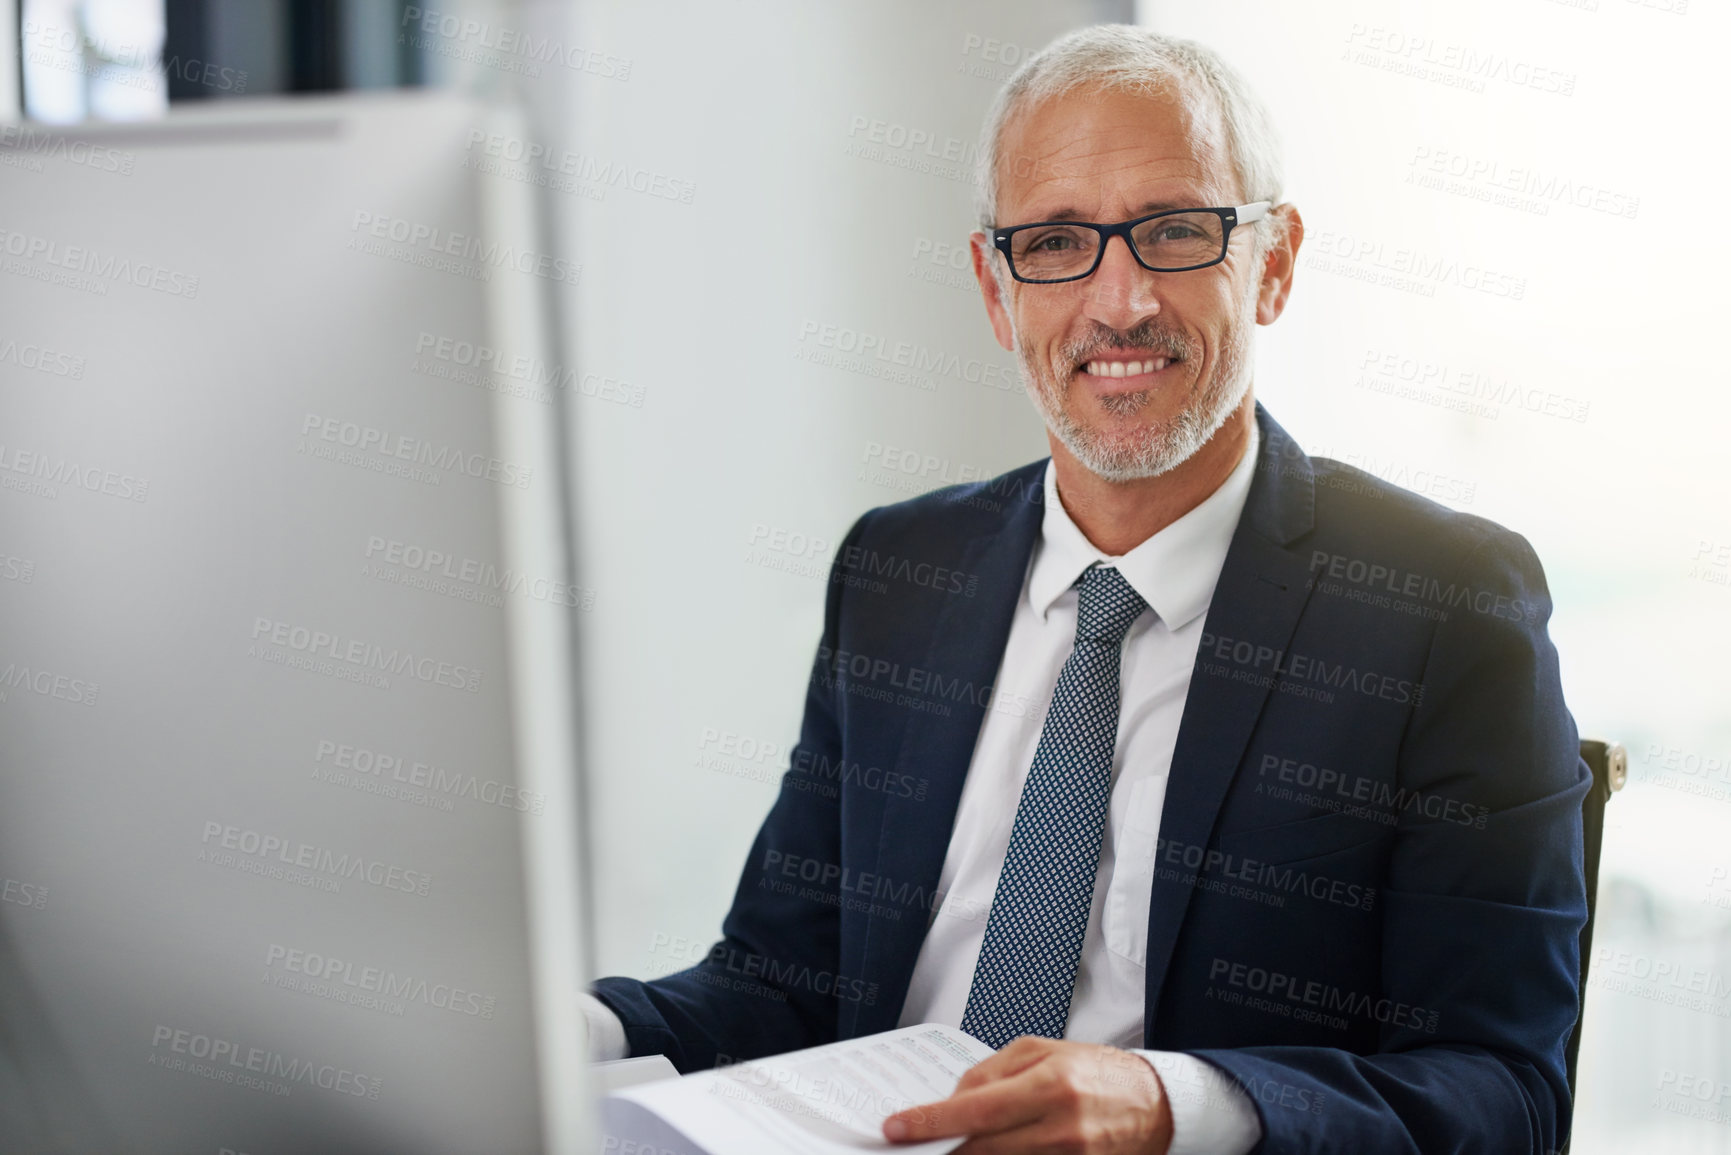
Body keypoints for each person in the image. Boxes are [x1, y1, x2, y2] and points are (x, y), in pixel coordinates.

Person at [584, 24, 1588, 1154]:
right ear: (994, 287)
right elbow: (784, 982)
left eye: (1172, 232)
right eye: (1057, 242)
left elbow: (1506, 1093)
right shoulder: (899, 573)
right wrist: (573, 1029)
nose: (1120, 304)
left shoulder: (1443, 606)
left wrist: (1176, 1105)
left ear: (1275, 262)